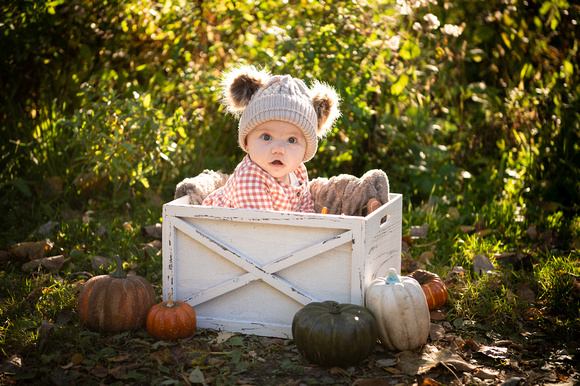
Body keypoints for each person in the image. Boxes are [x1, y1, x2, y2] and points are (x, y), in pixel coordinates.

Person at [202, 65, 340, 212]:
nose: (278, 149)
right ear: (247, 142)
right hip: (221, 232)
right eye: (266, 137)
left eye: (292, 140)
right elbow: (263, 229)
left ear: (306, 149)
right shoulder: (250, 180)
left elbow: (305, 208)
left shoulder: (298, 172)